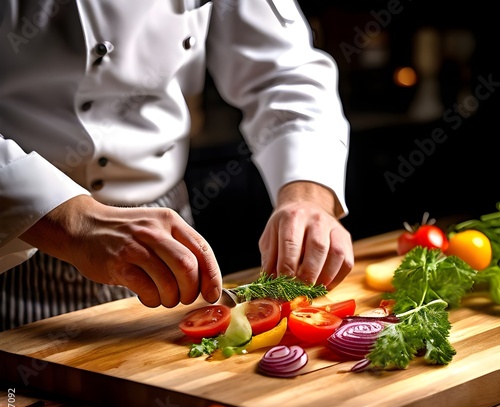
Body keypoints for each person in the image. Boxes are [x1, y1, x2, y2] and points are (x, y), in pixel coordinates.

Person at [0, 0, 353, 331]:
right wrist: (68, 220)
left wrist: (308, 195)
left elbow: (283, 72)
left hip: (165, 226)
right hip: (17, 240)